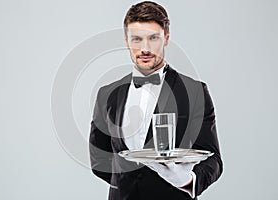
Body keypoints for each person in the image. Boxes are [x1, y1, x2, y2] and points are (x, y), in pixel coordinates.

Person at [89, 1, 223, 200]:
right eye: (136, 39)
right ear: (127, 41)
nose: (145, 48)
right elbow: (99, 159)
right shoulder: (107, 94)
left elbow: (214, 161)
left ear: (166, 38)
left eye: (153, 38)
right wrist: (127, 183)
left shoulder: (195, 92)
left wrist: (185, 180)